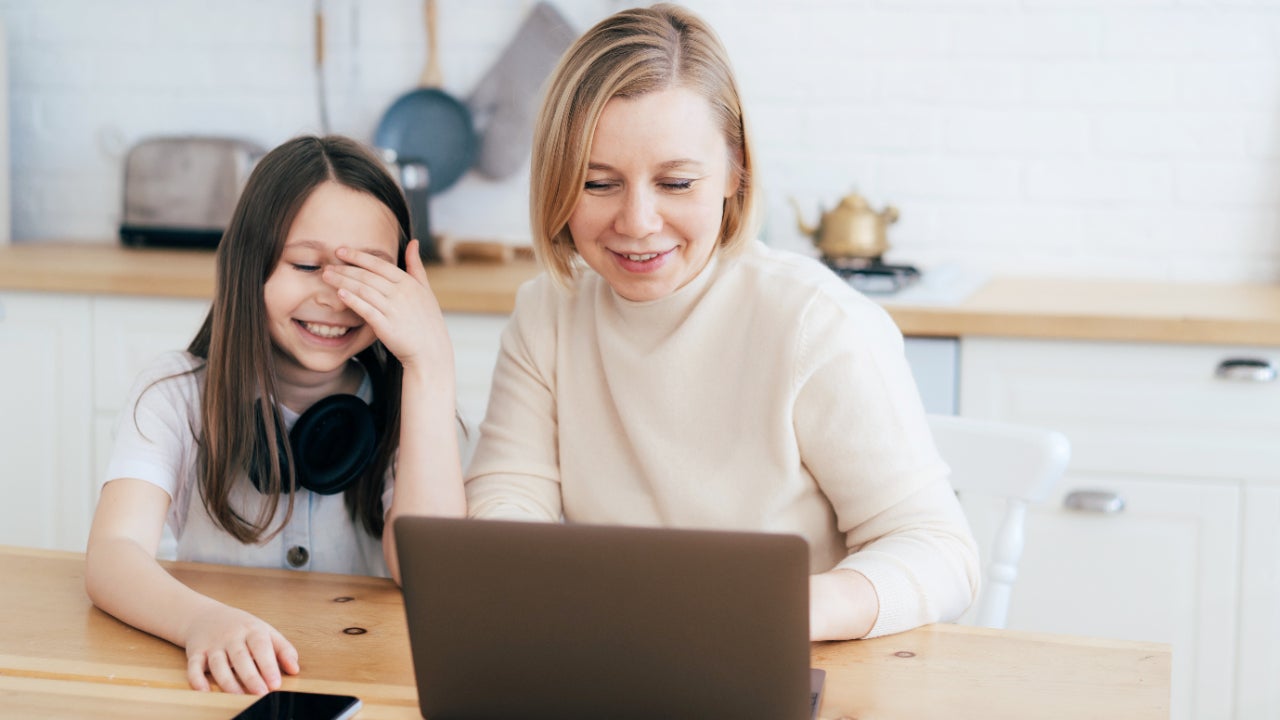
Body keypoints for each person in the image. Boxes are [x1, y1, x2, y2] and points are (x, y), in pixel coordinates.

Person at [465, 4, 979, 641]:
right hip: (616, 655)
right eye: (598, 183)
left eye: (676, 182)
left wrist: (765, 612)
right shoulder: (548, 312)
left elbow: (938, 550)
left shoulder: (814, 323)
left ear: (735, 170)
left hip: (785, 664)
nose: (637, 222)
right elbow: (507, 497)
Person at [85, 135, 465, 695]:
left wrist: (429, 365)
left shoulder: (415, 410)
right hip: (221, 687)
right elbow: (112, 555)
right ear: (250, 265)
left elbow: (436, 582)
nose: (335, 296)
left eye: (368, 272)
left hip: (361, 682)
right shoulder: (177, 395)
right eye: (307, 264)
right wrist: (200, 621)